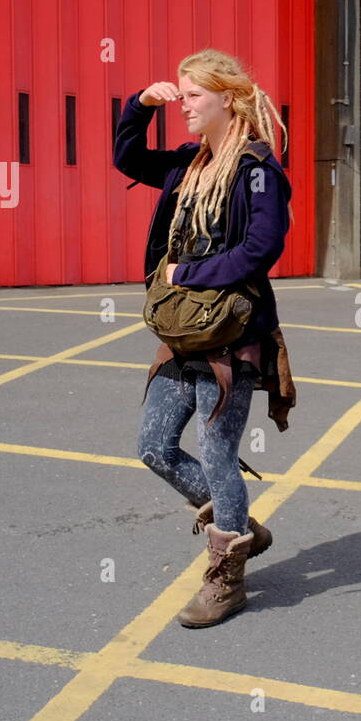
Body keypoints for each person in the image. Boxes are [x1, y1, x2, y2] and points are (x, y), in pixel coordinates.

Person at [114, 48, 295, 629]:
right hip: (182, 329)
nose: (184, 105)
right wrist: (139, 105)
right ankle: (239, 524)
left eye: (193, 95)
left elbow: (261, 249)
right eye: (183, 94)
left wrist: (185, 273)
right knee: (153, 446)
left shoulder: (257, 171)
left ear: (228, 98)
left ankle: (227, 577)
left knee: (217, 452)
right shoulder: (190, 164)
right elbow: (128, 158)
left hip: (233, 334)